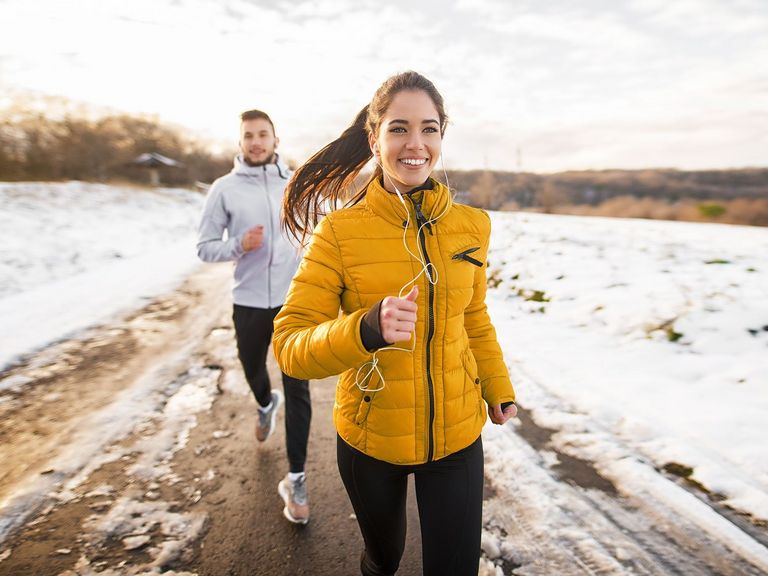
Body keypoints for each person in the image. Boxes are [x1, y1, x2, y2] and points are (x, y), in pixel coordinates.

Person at [272, 72, 517, 575]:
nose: (415, 144)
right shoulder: (338, 233)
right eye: (399, 128)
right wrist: (364, 329)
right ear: (374, 138)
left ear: (441, 137)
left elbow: (473, 316)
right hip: (372, 439)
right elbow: (290, 345)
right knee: (385, 560)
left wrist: (497, 384)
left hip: (456, 435)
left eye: (429, 129)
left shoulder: (472, 226)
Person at [196, 109, 312, 525]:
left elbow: (313, 233)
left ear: (276, 140)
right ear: (241, 142)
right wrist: (238, 245)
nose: (257, 141)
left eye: (263, 134)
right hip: (247, 300)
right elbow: (205, 246)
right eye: (249, 135)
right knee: (252, 370)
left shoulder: (296, 184)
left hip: (293, 303)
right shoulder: (224, 190)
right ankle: (265, 404)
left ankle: (296, 479)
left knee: (299, 389)